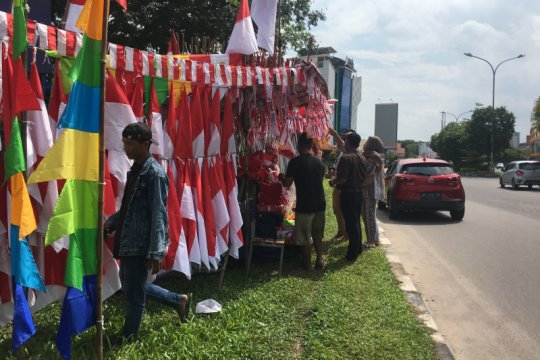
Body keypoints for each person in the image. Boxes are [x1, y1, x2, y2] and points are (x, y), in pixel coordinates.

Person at [104, 122, 190, 343]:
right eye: (124, 142)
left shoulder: (154, 174)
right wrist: (111, 223)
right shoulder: (136, 170)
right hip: (128, 240)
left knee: (133, 293)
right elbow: (128, 207)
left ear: (145, 144)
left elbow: (159, 214)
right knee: (132, 285)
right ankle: (177, 300)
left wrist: (156, 251)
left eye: (130, 144)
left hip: (141, 244)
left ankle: (128, 336)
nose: (126, 148)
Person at [280, 132, 326, 271]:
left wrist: (281, 177)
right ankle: (319, 258)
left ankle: (308, 265)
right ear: (311, 146)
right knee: (318, 234)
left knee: (305, 235)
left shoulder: (295, 162)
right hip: (320, 203)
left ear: (299, 145)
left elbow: (287, 183)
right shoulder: (319, 162)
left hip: (305, 204)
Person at [329, 132, 368, 261]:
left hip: (348, 194)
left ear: (349, 143)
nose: (344, 143)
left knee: (351, 224)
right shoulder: (361, 157)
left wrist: (333, 181)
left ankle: (352, 253)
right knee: (356, 221)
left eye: (345, 140)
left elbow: (343, 179)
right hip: (359, 193)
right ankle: (358, 248)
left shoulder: (346, 158)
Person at [327, 128, 355, 241]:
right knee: (337, 210)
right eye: (345, 137)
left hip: (344, 187)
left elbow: (340, 144)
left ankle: (345, 234)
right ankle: (341, 232)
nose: (345, 140)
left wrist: (334, 133)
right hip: (338, 186)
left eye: (347, 138)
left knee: (342, 211)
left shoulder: (350, 152)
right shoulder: (344, 153)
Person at [361, 136, 385, 248]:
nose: (365, 144)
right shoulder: (375, 156)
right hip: (371, 190)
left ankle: (371, 241)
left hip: (369, 190)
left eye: (367, 142)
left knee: (368, 216)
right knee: (371, 215)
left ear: (371, 145)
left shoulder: (373, 157)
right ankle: (375, 239)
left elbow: (368, 171)